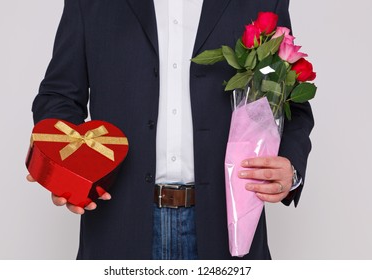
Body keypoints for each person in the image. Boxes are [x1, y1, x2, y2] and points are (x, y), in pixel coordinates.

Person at [28, 0, 314, 260]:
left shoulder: (262, 2)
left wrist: (292, 169)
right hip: (119, 226)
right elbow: (59, 97)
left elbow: (291, 101)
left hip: (227, 227)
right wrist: (65, 168)